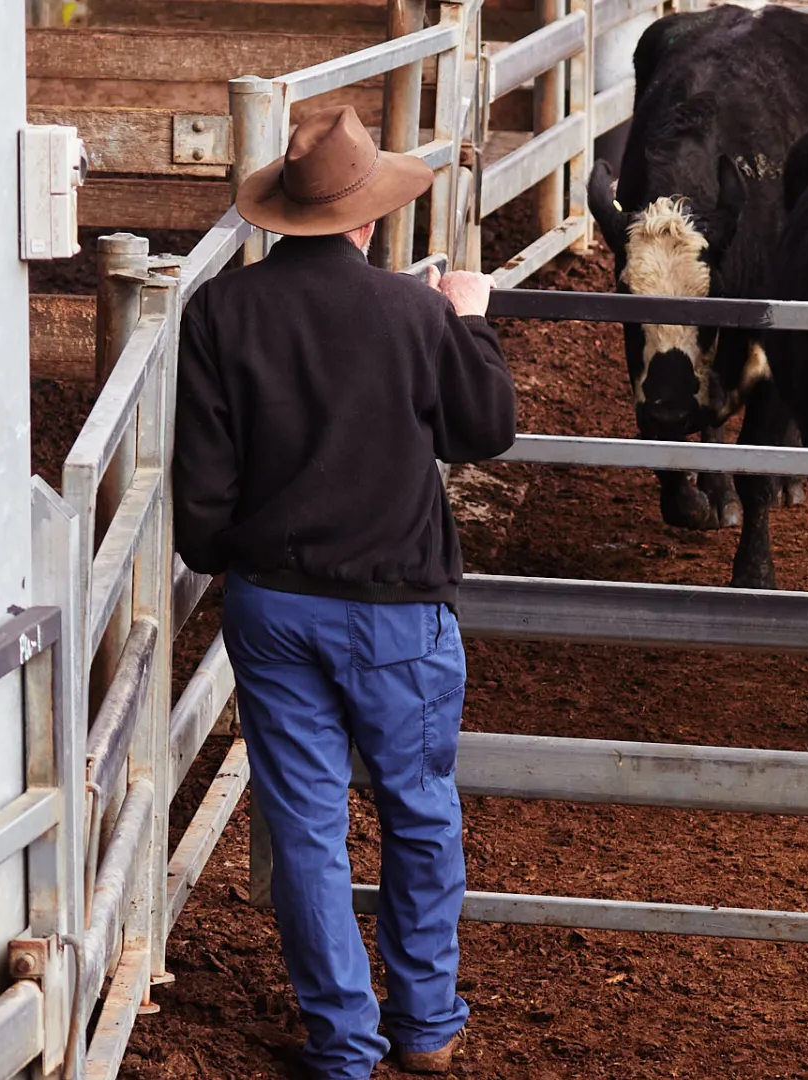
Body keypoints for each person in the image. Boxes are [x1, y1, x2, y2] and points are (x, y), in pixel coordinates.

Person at [173, 104, 515, 1080]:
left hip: (274, 607)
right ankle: (428, 1024)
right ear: (367, 218)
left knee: (308, 826)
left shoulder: (220, 315)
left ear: (284, 215)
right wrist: (472, 322)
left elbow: (199, 504)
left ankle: (343, 1043)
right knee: (418, 809)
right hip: (400, 608)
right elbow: (484, 428)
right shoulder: (413, 313)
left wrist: (239, 553)